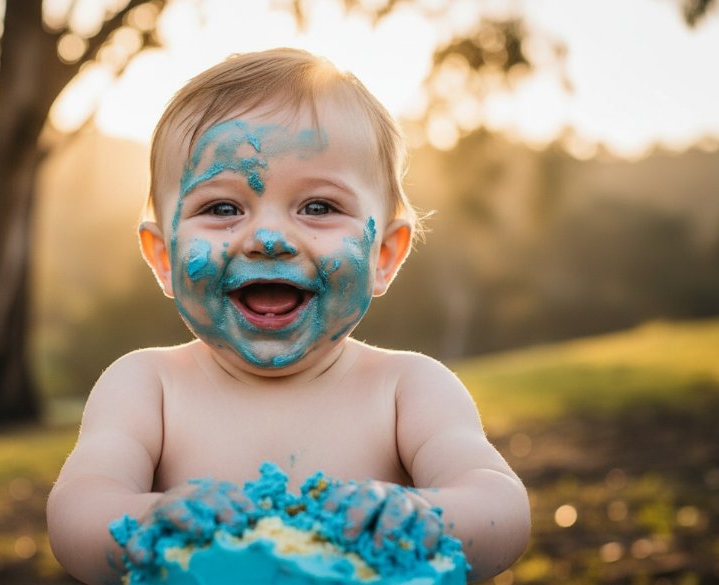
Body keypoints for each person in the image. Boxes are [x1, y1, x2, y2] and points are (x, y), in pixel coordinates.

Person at [46, 47, 530, 584]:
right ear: (163, 257)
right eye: (222, 208)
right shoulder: (147, 388)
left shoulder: (407, 390)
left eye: (318, 207)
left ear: (384, 255)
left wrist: (429, 520)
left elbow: (501, 506)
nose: (269, 239)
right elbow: (77, 511)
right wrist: (145, 523)